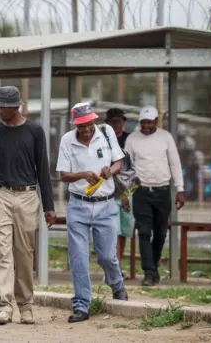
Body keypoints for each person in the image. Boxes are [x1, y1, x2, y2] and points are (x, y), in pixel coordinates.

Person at [0, 86, 55, 326]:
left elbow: (42, 169)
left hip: (27, 196)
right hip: (0, 195)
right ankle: (4, 306)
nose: (0, 110)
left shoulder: (34, 131)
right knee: (3, 252)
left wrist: (49, 206)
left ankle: (26, 305)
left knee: (24, 254)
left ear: (17, 106)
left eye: (4, 106)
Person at [56, 102, 129, 323]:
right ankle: (81, 305)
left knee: (106, 255)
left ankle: (116, 284)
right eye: (81, 125)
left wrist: (109, 171)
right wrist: (83, 175)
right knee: (78, 256)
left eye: (88, 123)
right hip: (78, 204)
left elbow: (118, 162)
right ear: (75, 124)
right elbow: (63, 175)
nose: (86, 129)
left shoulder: (106, 133)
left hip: (105, 204)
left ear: (94, 120)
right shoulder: (67, 140)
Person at [124, 105, 185, 287]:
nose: (146, 126)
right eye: (143, 122)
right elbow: (127, 168)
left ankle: (154, 265)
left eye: (150, 122)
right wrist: (125, 195)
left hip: (163, 191)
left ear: (156, 122)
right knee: (143, 232)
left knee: (160, 233)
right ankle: (149, 272)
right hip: (141, 191)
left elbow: (175, 163)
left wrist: (180, 189)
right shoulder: (132, 139)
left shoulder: (165, 137)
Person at [105, 108, 133, 275]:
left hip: (129, 189)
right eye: (113, 121)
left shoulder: (129, 140)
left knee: (124, 228)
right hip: (110, 190)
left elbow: (132, 170)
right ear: (108, 123)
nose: (117, 124)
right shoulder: (103, 141)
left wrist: (127, 193)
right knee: (112, 229)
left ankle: (118, 264)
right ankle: (113, 267)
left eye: (119, 121)